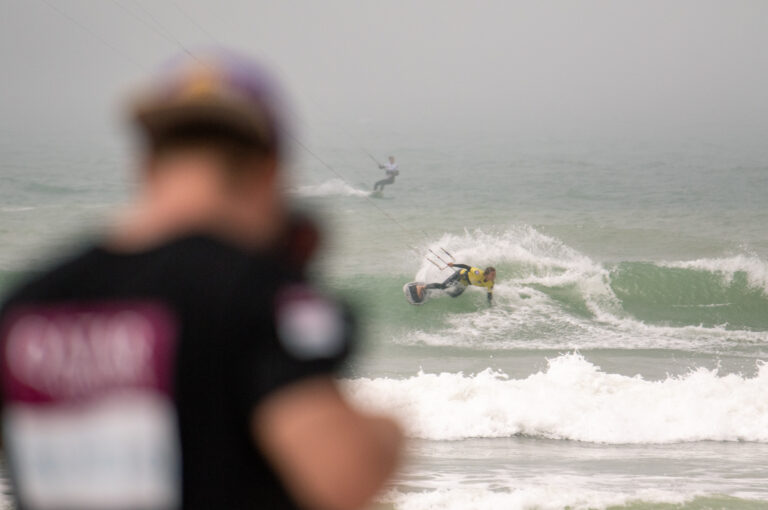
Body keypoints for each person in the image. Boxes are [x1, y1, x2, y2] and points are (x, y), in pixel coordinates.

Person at [0, 50, 402, 510]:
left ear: (146, 164)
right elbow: (343, 476)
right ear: (269, 169)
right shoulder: (254, 292)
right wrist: (390, 434)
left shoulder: (29, 305)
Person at [417, 262, 496, 305]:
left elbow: (489, 295)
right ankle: (422, 287)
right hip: (460, 275)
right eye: (492, 275)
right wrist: (453, 265)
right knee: (443, 286)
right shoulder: (478, 272)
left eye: (494, 275)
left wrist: (490, 305)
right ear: (486, 274)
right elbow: (466, 266)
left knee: (454, 295)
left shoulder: (490, 283)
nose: (494, 276)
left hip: (465, 282)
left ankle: (433, 292)